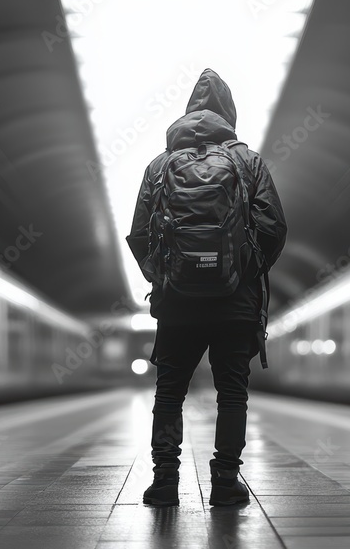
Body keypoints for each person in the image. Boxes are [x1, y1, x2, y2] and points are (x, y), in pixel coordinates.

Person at [126, 68, 288, 507]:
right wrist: (240, 271)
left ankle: (163, 481)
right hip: (235, 305)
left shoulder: (159, 166)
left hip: (177, 303)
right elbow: (274, 228)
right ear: (229, 114)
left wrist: (165, 274)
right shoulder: (246, 160)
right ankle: (224, 482)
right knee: (232, 391)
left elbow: (139, 235)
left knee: (169, 391)